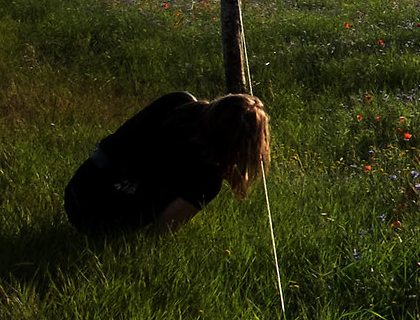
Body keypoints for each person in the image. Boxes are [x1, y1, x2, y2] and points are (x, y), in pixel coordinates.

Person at [63, 92, 270, 237]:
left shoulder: (177, 103)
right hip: (105, 225)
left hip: (78, 190)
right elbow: (160, 231)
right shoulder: (207, 179)